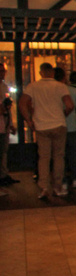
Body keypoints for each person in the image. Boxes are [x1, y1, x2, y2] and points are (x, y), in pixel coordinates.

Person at [20, 63, 74, 199]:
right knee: (59, 156)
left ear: (41, 72)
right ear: (52, 73)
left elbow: (22, 103)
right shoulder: (60, 86)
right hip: (58, 124)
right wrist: (63, 114)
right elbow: (70, 105)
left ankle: (44, 187)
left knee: (44, 157)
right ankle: (58, 186)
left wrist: (29, 120)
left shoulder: (33, 86)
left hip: (41, 125)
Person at [55, 67, 76, 188]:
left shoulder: (50, 91)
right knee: (73, 153)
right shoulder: (72, 90)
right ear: (64, 78)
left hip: (55, 126)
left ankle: (61, 180)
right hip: (72, 127)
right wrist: (73, 118)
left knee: (58, 155)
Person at [0, 62, 18, 194]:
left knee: (3, 151)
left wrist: (11, 124)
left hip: (4, 124)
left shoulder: (4, 86)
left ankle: (3, 175)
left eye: (3, 71)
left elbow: (6, 106)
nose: (2, 74)